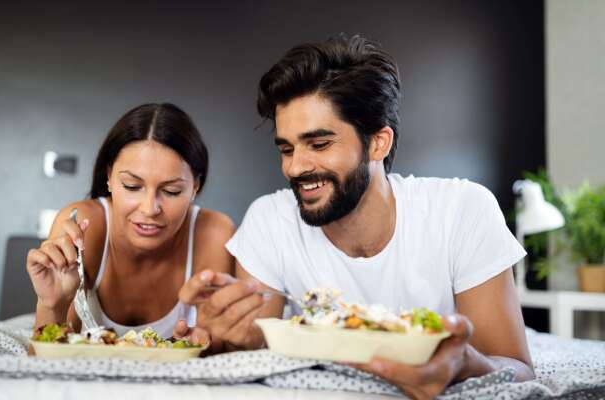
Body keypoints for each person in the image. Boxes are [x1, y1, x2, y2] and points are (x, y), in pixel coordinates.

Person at [179, 35, 535, 397]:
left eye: (319, 144)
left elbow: (517, 368)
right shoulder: (269, 221)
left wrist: (468, 365)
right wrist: (223, 337)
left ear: (378, 142)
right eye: (287, 148)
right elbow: (254, 347)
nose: (295, 167)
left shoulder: (461, 211)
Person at [26, 103, 234, 343]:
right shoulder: (84, 226)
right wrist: (52, 305)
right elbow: (46, 360)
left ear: (195, 187)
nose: (149, 209)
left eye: (172, 191)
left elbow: (216, 355)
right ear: (109, 177)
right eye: (132, 186)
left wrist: (209, 344)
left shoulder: (214, 233)